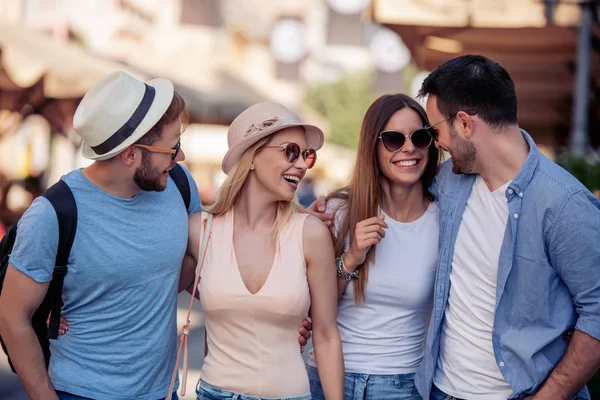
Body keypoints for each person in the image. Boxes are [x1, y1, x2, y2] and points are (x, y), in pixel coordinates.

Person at [0, 71, 202, 400]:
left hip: (164, 393)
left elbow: (205, 261)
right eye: (173, 147)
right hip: (80, 393)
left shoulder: (179, 184)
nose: (181, 157)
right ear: (131, 154)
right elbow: (11, 317)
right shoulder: (53, 214)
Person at [414, 55, 600, 399]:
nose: (435, 143)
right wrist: (334, 206)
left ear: (465, 124)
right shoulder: (450, 182)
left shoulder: (564, 205)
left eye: (434, 130)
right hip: (440, 390)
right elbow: (395, 192)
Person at [181, 102, 344, 400]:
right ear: (252, 156)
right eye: (291, 151)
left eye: (306, 156)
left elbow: (326, 336)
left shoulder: (311, 234)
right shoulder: (199, 231)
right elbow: (145, 289)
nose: (302, 165)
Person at [305, 93, 441, 400]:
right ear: (373, 147)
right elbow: (314, 309)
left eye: (420, 137)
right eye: (393, 139)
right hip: (328, 380)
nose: (409, 148)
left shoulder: (444, 221)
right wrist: (351, 258)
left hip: (402, 385)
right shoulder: (338, 212)